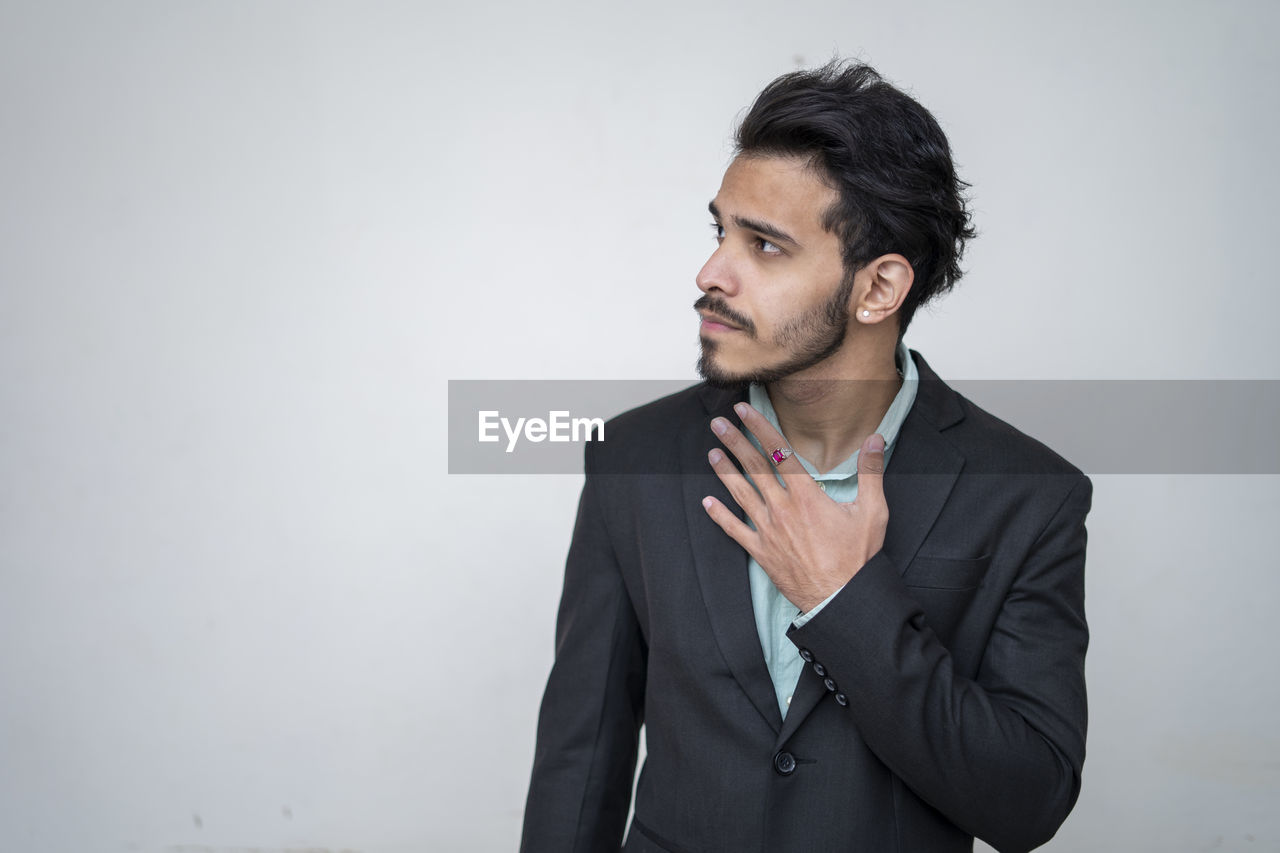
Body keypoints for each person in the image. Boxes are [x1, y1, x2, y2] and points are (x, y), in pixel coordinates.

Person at [520, 60, 1091, 853]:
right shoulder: (634, 459)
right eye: (720, 231)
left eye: (765, 245)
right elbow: (580, 762)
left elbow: (1028, 803)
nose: (711, 272)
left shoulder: (1029, 495)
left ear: (878, 288)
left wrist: (846, 600)